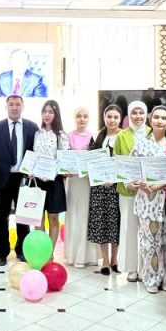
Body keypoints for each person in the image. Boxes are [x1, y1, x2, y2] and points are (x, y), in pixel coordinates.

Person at [0, 95, 38, 266]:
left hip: (23, 179)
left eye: (17, 104)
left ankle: (21, 250)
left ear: (23, 106)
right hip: (2, 179)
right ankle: (2, 252)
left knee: (23, 217)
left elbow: (36, 153)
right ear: (6, 106)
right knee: (2, 217)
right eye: (11, 104)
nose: (14, 107)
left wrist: (34, 171)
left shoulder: (32, 127)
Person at [128, 106, 166, 293]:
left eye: (164, 118)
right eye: (156, 117)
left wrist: (161, 184)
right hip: (147, 201)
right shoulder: (140, 143)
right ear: (150, 120)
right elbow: (130, 171)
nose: (159, 121)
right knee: (150, 243)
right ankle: (151, 279)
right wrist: (135, 183)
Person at [114, 100, 149, 281]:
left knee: (147, 229)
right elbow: (117, 162)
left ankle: (145, 267)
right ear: (129, 115)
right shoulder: (122, 135)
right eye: (134, 113)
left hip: (149, 191)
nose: (138, 116)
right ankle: (132, 268)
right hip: (127, 190)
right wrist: (127, 182)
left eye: (141, 112)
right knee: (129, 227)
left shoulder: (153, 132)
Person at [88, 105, 123, 275]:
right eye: (109, 116)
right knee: (100, 222)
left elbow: (126, 161)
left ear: (120, 119)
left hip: (117, 187)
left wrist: (114, 179)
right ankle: (105, 261)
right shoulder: (97, 137)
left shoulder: (124, 136)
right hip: (99, 188)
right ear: (104, 118)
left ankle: (115, 259)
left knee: (116, 222)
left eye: (115, 117)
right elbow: (90, 161)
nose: (112, 120)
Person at [31, 100, 69, 249]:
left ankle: (50, 252)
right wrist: (30, 171)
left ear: (56, 114)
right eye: (44, 111)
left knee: (53, 218)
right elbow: (33, 156)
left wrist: (63, 169)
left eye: (51, 112)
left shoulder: (61, 136)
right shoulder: (37, 134)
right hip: (38, 182)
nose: (47, 115)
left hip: (55, 181)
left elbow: (64, 160)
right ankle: (41, 250)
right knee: (38, 218)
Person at [64, 107, 96, 268]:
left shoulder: (93, 137)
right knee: (74, 215)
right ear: (74, 118)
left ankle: (86, 256)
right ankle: (73, 255)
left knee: (85, 216)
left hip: (87, 182)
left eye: (85, 116)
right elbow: (63, 160)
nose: (82, 119)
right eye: (78, 116)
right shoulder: (67, 136)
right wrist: (65, 171)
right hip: (73, 182)